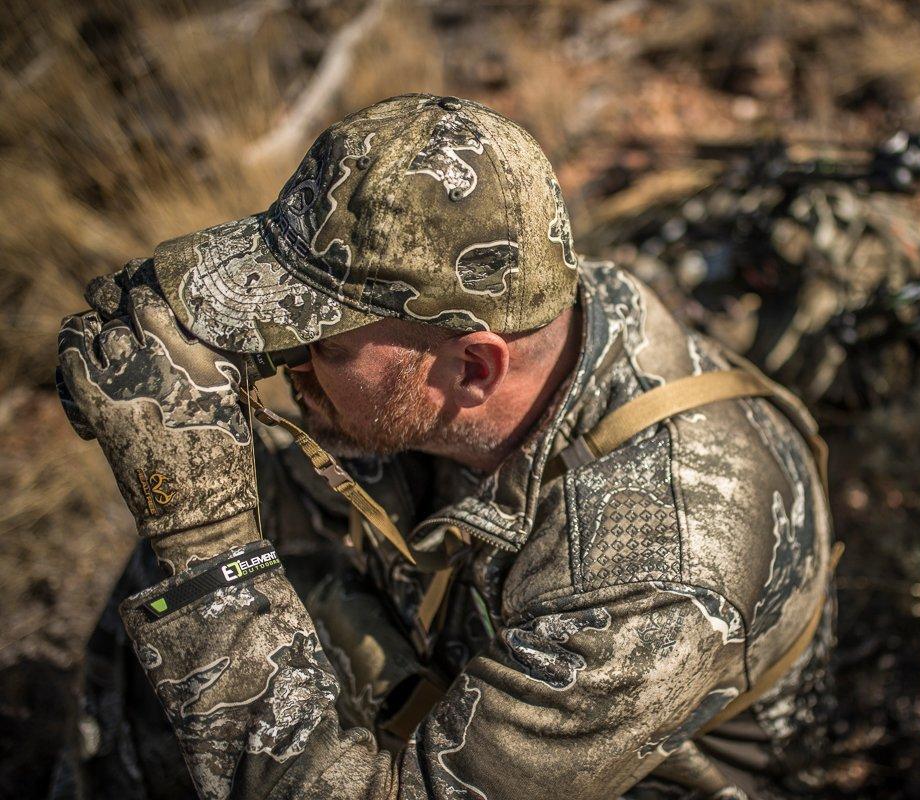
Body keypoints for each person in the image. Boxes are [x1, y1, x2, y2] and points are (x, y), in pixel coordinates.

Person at [54, 94, 836, 800]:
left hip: (613, 768)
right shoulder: (530, 291)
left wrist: (202, 537)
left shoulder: (658, 568)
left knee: (207, 562)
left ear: (473, 366)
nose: (286, 359)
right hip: (491, 640)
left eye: (315, 338)